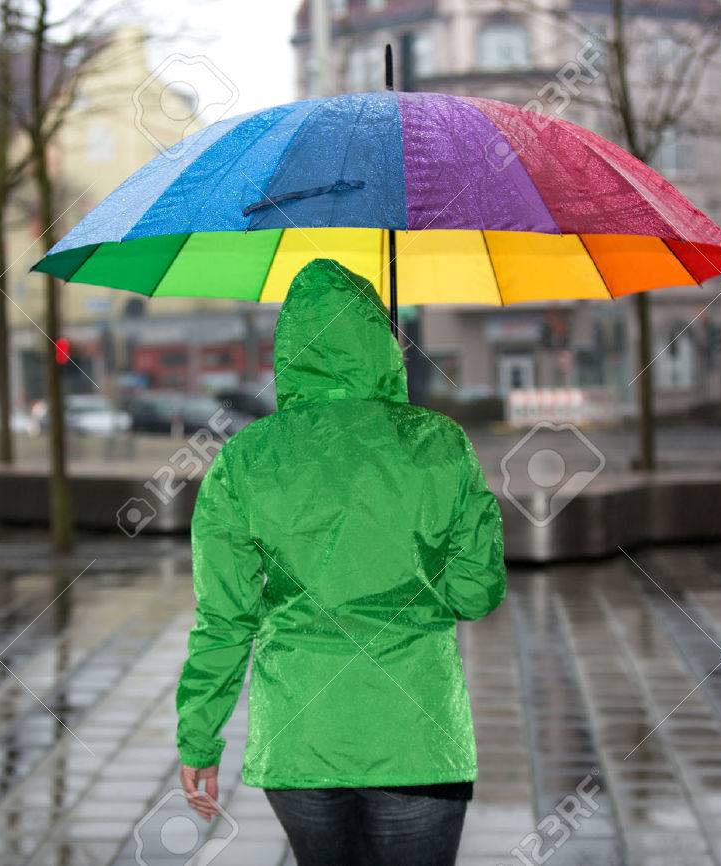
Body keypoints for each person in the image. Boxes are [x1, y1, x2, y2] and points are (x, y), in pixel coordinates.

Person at [175, 258, 506, 866]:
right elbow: (475, 593)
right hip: (418, 733)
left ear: (289, 348)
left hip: (301, 741)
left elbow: (224, 619)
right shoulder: (439, 443)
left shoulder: (245, 459)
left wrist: (199, 735)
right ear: (384, 344)